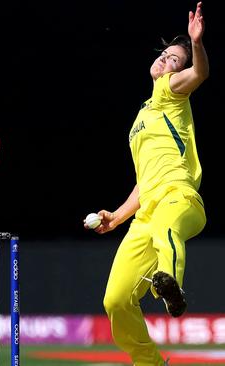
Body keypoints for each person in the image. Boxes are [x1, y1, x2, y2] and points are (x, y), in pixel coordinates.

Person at [84, 2, 209, 365]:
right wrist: (117, 217)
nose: (165, 60)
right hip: (147, 211)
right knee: (116, 301)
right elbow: (143, 183)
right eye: (164, 55)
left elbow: (200, 73)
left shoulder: (171, 91)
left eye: (173, 59)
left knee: (167, 231)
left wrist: (196, 45)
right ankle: (151, 362)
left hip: (180, 198)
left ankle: (171, 285)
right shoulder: (141, 116)